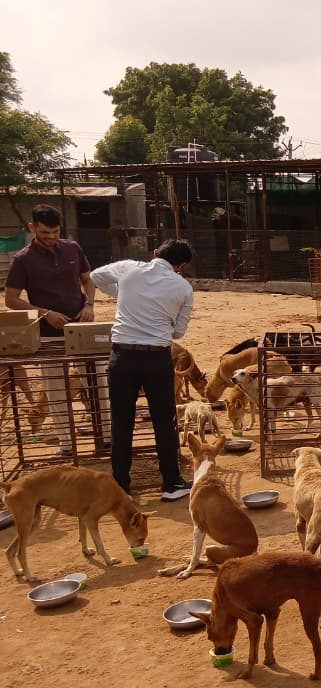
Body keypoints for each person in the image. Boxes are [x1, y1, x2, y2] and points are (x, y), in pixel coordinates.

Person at [90, 239, 195, 501]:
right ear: (180, 266)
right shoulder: (183, 287)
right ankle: (172, 483)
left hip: (122, 356)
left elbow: (94, 276)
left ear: (156, 253)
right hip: (157, 358)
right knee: (164, 421)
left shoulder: (128, 268)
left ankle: (121, 487)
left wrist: (123, 294)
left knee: (122, 422)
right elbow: (179, 331)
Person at [3, 204, 101, 456]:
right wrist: (45, 313)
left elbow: (88, 280)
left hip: (82, 327)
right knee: (55, 389)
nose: (50, 237)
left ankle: (108, 437)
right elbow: (12, 299)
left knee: (99, 381)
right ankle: (67, 444)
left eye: (55, 232)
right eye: (45, 232)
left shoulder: (73, 248)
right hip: (47, 332)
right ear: (32, 227)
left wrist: (89, 304)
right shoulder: (23, 259)